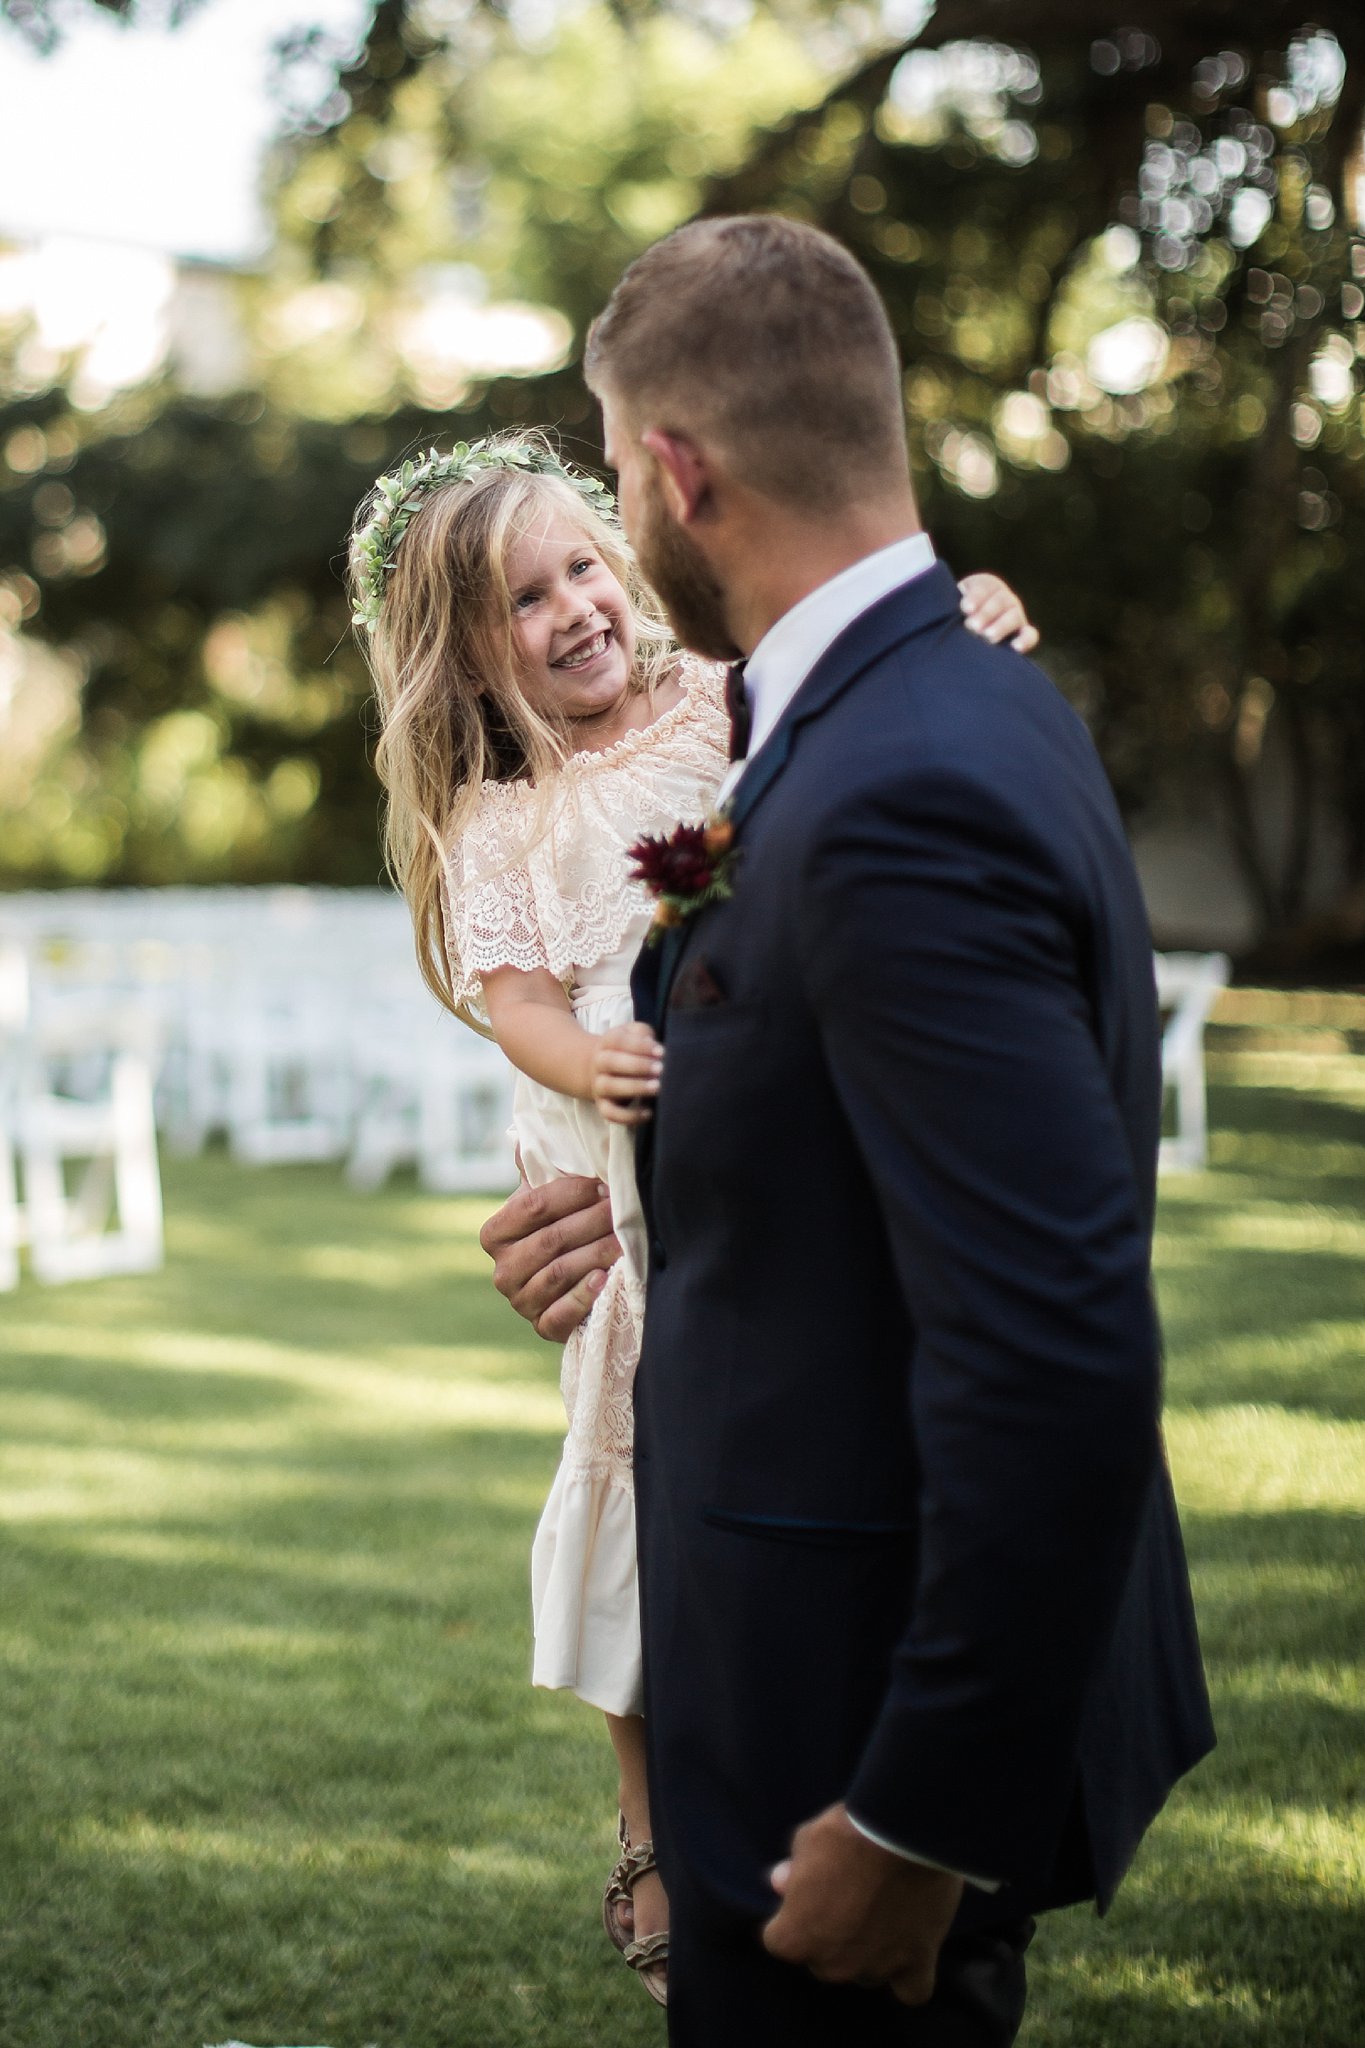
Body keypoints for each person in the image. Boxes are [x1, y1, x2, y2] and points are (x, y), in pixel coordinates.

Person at [480, 214, 1215, 2046]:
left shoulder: (890, 788)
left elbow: (1049, 1344)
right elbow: (840, 1151)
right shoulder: (906, 716)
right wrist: (630, 1210)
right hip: (804, 1665)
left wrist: (915, 1812)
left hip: (850, 1731)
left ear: (671, 470)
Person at [348, 430, 1038, 2009]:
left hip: (760, 1140)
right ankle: (652, 1822)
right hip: (611, 1130)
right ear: (461, 653)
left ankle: (868, 1806)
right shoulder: (502, 821)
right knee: (635, 1476)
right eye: (524, 601)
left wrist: (962, 612)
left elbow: (863, 702)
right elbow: (515, 995)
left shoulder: (720, 691)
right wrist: (578, 1059)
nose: (577, 608)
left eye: (583, 563)